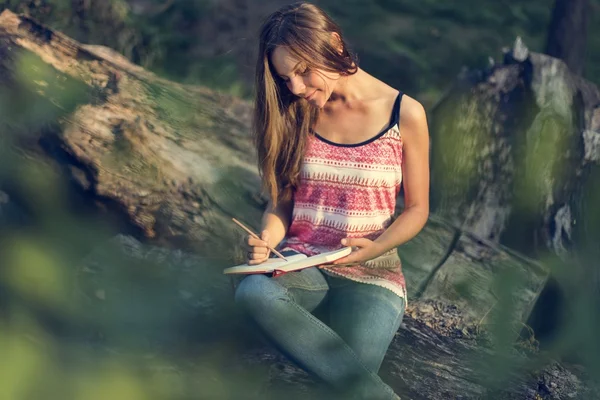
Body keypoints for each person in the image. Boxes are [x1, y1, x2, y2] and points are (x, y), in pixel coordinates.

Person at [234, 2, 430, 399]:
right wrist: (267, 239)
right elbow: (283, 203)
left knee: (347, 379)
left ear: (334, 44)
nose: (297, 88)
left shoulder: (404, 113)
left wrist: (376, 246)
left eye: (303, 71)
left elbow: (417, 209)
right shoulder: (295, 112)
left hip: (373, 276)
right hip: (304, 265)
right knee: (253, 291)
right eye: (286, 78)